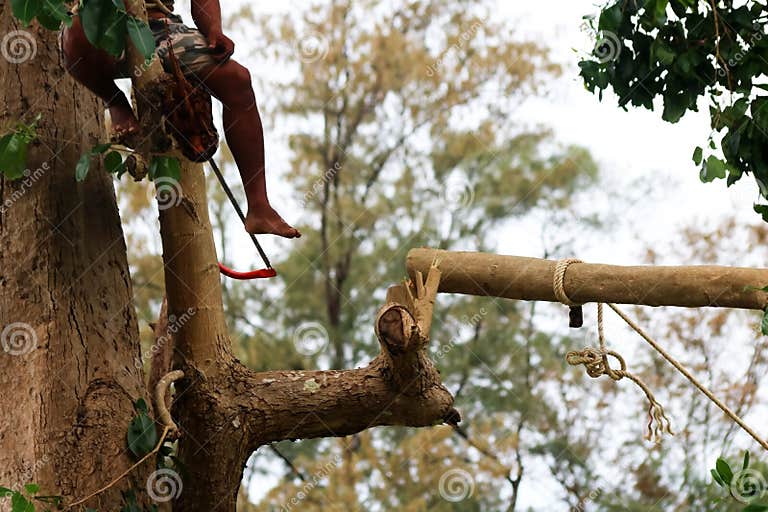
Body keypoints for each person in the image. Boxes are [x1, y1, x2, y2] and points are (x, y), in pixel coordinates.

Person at [61, 0, 300, 238]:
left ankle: (259, 207)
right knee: (75, 29)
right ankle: (116, 103)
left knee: (237, 79)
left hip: (160, 28)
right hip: (103, 27)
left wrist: (214, 29)